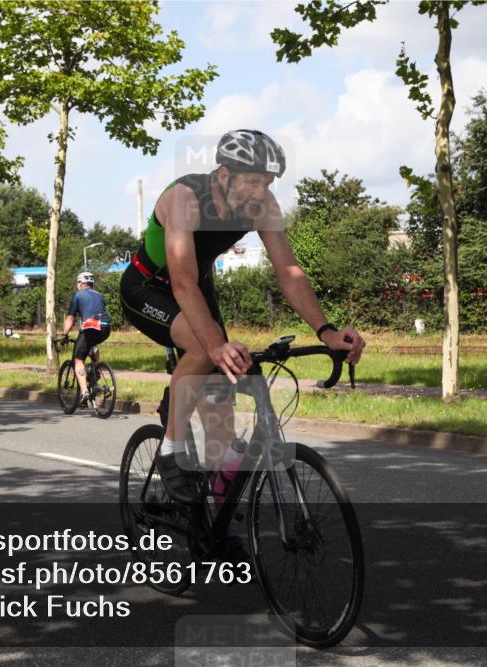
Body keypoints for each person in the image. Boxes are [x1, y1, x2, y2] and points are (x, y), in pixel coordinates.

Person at [120, 129, 365, 505]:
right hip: (150, 287)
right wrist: (215, 345)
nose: (259, 191)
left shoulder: (264, 206)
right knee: (206, 349)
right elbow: (183, 283)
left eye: (267, 182)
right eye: (251, 180)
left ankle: (220, 526)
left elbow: (289, 273)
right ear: (223, 175)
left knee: (221, 409)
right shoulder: (185, 198)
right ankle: (170, 449)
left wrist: (327, 331)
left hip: (199, 291)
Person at [61, 271, 111, 406]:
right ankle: (95, 369)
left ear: (81, 283)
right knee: (92, 344)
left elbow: (70, 318)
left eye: (78, 282)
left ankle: (84, 392)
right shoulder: (100, 295)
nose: (77, 285)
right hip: (106, 328)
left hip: (90, 327)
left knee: (78, 359)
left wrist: (64, 335)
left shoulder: (78, 295)